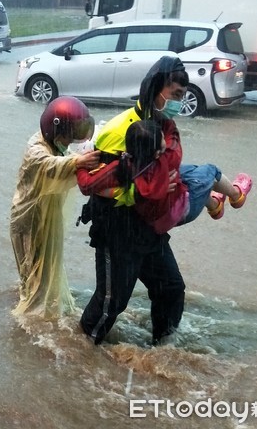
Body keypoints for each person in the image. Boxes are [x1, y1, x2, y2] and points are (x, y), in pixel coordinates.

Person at [75, 56, 196, 346]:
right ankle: (78, 354)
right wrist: (138, 193)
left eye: (182, 95)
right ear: (156, 88)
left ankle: (163, 349)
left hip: (149, 228)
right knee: (112, 302)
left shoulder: (165, 126)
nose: (179, 102)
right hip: (116, 228)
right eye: (175, 95)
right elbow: (93, 182)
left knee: (171, 288)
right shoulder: (118, 130)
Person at [10, 96, 100, 319]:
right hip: (29, 221)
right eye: (67, 138)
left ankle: (45, 312)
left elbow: (66, 159)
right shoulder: (36, 150)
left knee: (48, 269)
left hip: (49, 215)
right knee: (32, 274)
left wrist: (82, 159)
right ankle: (30, 322)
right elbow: (51, 164)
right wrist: (78, 162)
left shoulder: (54, 145)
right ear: (54, 128)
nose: (68, 144)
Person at [93, 119, 253, 234]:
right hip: (181, 211)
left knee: (189, 172)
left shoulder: (126, 162)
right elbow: (172, 132)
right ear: (157, 153)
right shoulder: (167, 160)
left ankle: (215, 205)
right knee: (210, 171)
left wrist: (79, 165)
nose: (165, 139)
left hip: (155, 216)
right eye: (162, 138)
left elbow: (88, 185)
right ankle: (236, 196)